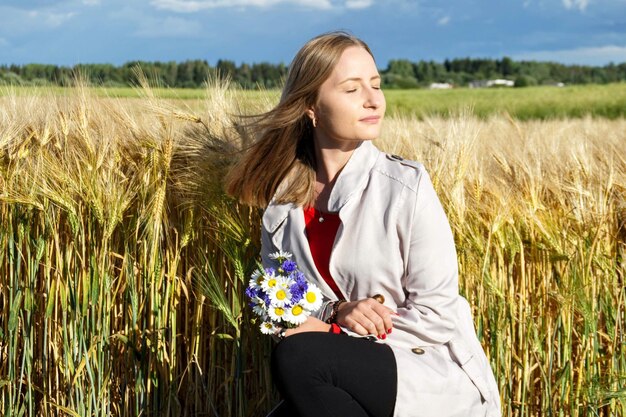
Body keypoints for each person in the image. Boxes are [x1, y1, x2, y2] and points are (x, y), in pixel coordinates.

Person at [226, 31, 501, 417]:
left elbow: (437, 315)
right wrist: (335, 311)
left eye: (376, 85)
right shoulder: (281, 205)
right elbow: (279, 308)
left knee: (301, 356)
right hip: (334, 375)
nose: (374, 100)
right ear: (311, 107)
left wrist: (336, 334)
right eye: (352, 89)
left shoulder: (406, 187)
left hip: (423, 371)